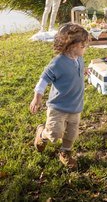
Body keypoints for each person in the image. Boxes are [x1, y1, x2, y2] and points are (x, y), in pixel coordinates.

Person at [29, 23, 89, 169]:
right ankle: (42, 134)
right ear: (71, 45)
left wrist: (84, 72)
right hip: (58, 107)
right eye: (83, 44)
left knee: (71, 134)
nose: (86, 46)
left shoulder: (79, 58)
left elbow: (76, 71)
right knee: (54, 134)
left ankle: (65, 153)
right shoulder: (57, 62)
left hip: (76, 106)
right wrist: (37, 97)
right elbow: (44, 79)